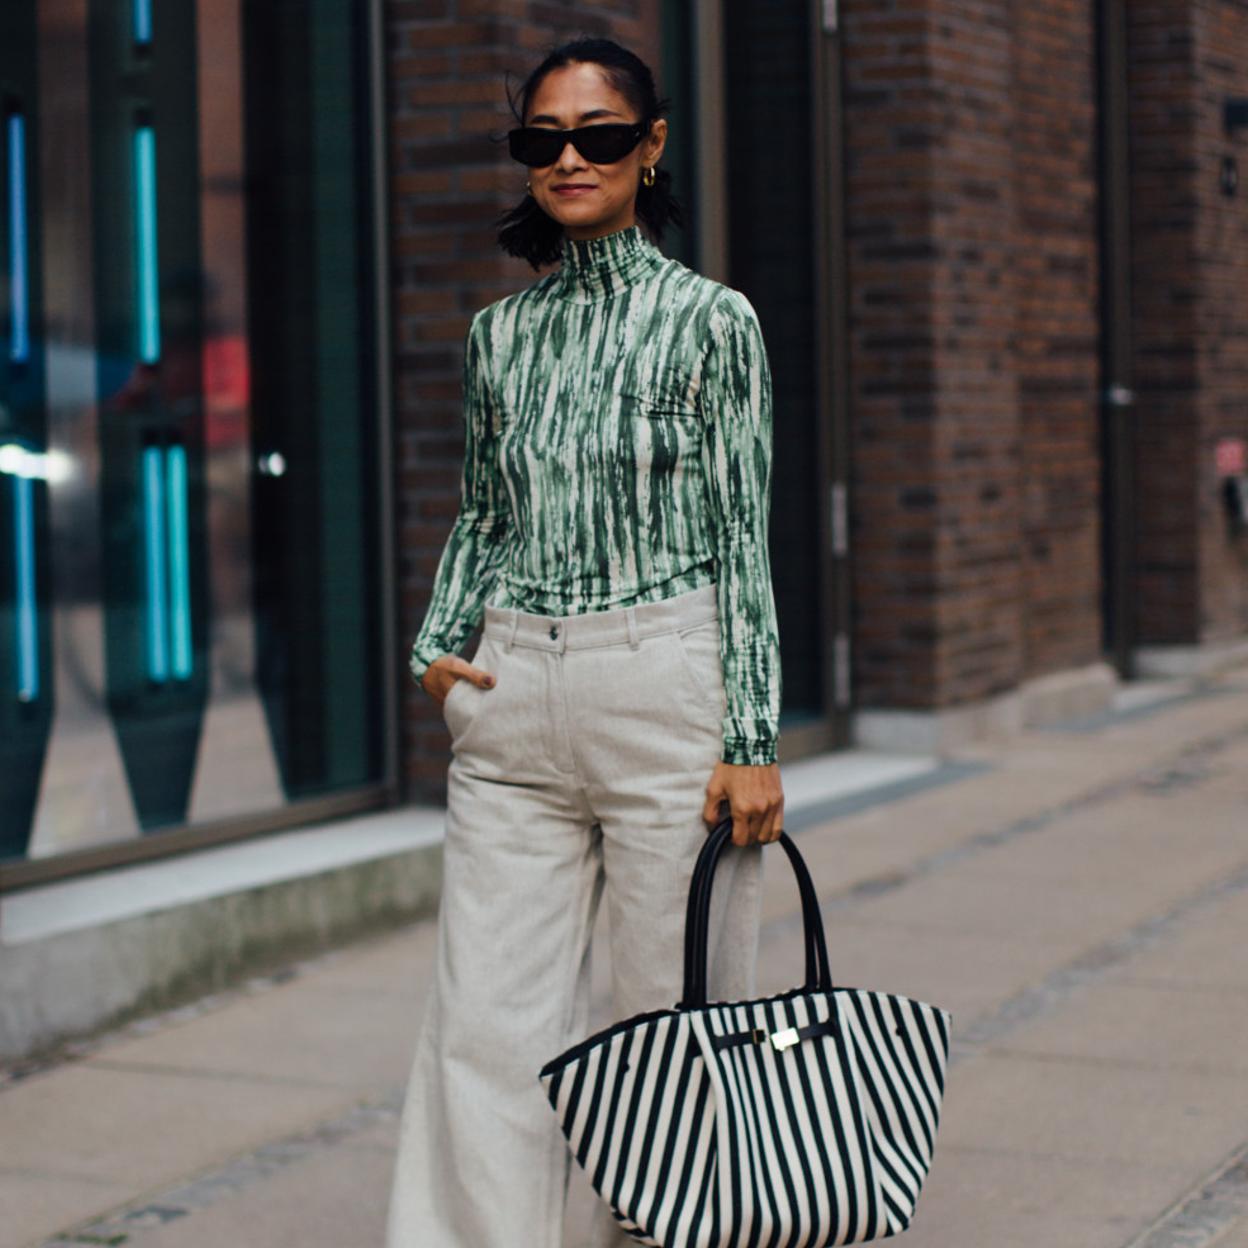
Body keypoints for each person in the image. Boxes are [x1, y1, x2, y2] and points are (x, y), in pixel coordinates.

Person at [386, 35, 785, 1248]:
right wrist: (437, 651)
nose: (569, 157)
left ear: (649, 147)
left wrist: (753, 734)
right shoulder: (498, 338)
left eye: (599, 135)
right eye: (543, 138)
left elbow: (742, 536)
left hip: (663, 687)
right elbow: (487, 515)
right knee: (486, 1028)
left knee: (672, 1025)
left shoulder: (712, 324)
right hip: (512, 694)